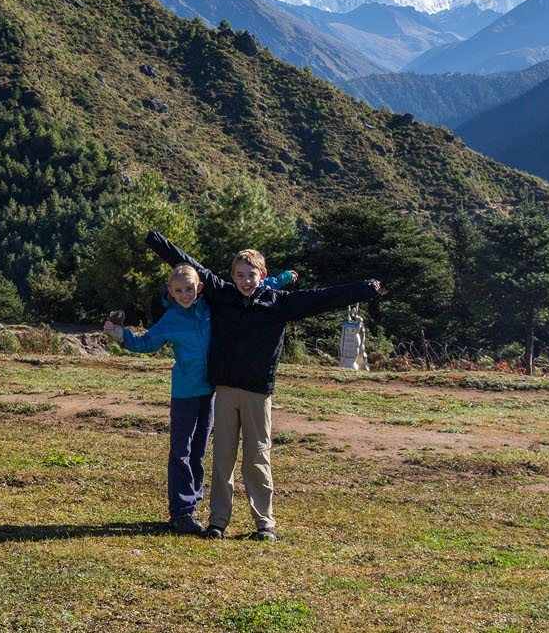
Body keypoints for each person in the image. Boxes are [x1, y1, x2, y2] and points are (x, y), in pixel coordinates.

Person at [143, 229, 381, 541]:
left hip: (257, 392)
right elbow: (187, 262)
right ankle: (217, 522)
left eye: (250, 275)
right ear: (231, 276)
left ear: (263, 275)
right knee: (223, 457)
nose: (244, 280)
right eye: (239, 275)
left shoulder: (279, 302)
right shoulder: (222, 294)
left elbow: (322, 298)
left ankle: (264, 524)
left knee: (257, 457)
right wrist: (154, 240)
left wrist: (363, 289)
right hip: (225, 390)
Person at [104, 265, 213, 535]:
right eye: (179, 291)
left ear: (199, 288)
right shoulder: (171, 319)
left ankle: (193, 506)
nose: (185, 294)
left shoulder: (210, 310)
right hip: (185, 394)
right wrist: (120, 335)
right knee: (181, 452)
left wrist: (278, 281)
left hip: (209, 393)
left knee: (198, 452)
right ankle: (181, 512)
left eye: (189, 288)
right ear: (171, 293)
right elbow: (147, 343)